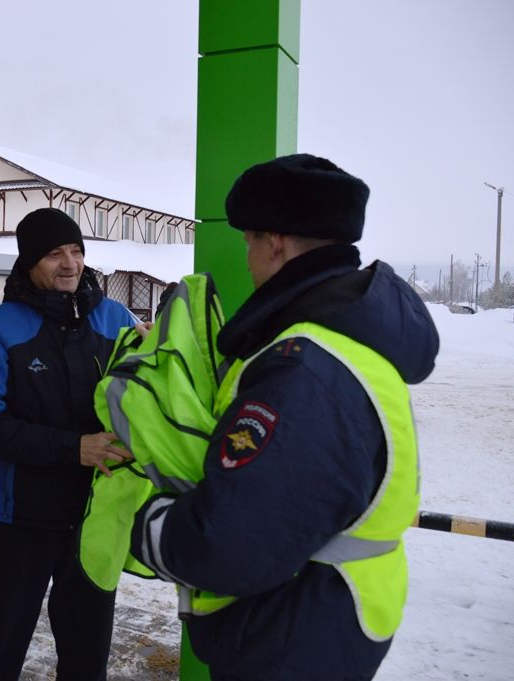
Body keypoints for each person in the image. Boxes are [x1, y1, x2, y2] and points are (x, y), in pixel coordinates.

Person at [130, 154, 440, 681]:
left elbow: (231, 542)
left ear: (274, 242)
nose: (247, 257)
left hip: (293, 637)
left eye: (248, 240)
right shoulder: (348, 339)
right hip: (328, 619)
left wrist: (147, 525)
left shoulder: (305, 368)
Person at [0, 207, 138, 680]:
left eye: (77, 251)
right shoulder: (0, 327)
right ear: (28, 261)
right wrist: (75, 447)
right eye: (54, 253)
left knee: (86, 655)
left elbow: (142, 401)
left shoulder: (115, 318)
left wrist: (154, 360)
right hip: (19, 518)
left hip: (93, 516)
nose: (70, 263)